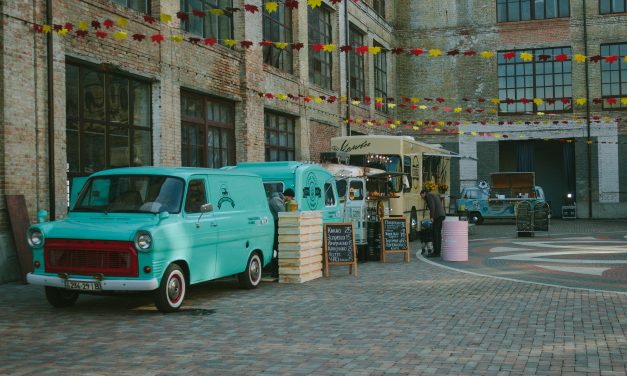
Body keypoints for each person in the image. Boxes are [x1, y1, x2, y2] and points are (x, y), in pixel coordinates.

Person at [420, 189, 446, 258]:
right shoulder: (432, 194)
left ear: (424, 193)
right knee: (438, 234)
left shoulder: (428, 196)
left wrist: (431, 217)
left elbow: (432, 206)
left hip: (437, 216)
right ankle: (438, 251)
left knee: (435, 234)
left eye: (421, 195)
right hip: (441, 215)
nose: (421, 197)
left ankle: (436, 252)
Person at [267, 191, 285, 279]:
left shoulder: (275, 199)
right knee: (276, 248)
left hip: (275, 225)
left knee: (276, 248)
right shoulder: (276, 200)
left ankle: (275, 271)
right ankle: (275, 271)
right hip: (276, 225)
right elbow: (282, 212)